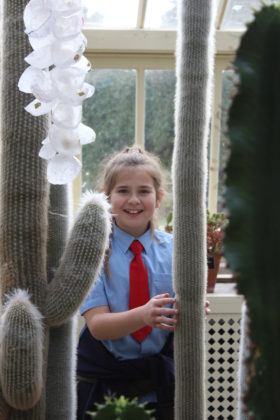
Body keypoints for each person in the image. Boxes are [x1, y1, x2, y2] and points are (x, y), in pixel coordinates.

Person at [77, 146, 209, 419]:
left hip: (158, 387)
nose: (133, 200)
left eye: (144, 191)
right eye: (123, 190)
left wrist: (193, 311)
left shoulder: (177, 250)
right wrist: (145, 315)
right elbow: (98, 326)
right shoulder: (92, 252)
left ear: (159, 197)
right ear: (106, 197)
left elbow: (177, 312)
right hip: (104, 387)